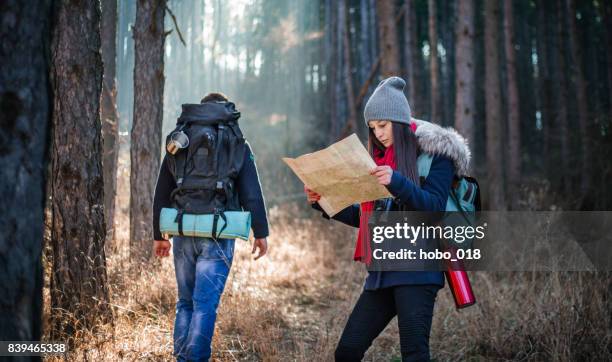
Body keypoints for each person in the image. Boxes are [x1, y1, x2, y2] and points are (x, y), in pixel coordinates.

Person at [305, 77, 471, 361]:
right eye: (372, 128)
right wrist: (326, 203)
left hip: (419, 270)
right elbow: (367, 218)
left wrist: (396, 182)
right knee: (347, 351)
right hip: (382, 272)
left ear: (400, 121)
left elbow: (432, 208)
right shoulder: (381, 161)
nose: (378, 133)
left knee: (414, 354)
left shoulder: (437, 156)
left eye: (383, 125)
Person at [152, 92, 269, 361]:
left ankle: (184, 358)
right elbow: (251, 191)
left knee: (185, 303)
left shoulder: (180, 140)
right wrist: (260, 233)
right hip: (219, 233)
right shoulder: (235, 140)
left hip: (183, 232)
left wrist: (159, 235)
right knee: (205, 305)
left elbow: (162, 188)